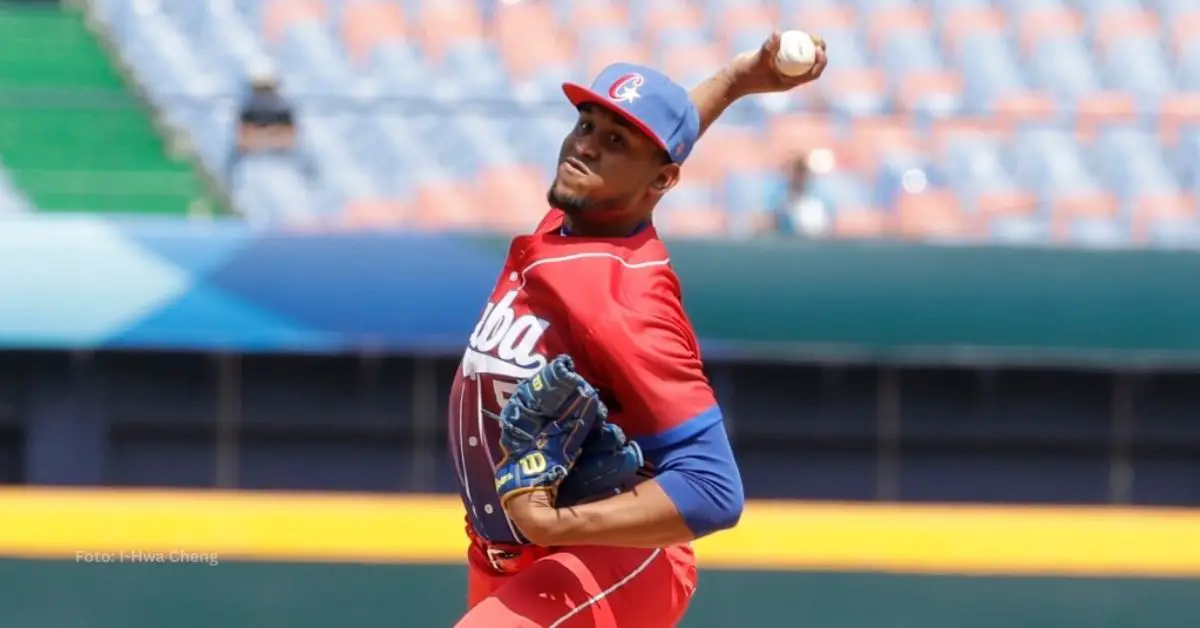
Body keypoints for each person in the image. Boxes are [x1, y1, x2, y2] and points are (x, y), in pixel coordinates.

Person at [450, 32, 827, 628]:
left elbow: (712, 488)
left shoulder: (628, 299)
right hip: (515, 556)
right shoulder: (569, 221)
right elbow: (654, 154)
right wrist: (731, 83)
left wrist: (556, 525)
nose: (586, 148)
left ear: (661, 183)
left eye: (614, 140)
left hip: (611, 561)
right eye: (586, 126)